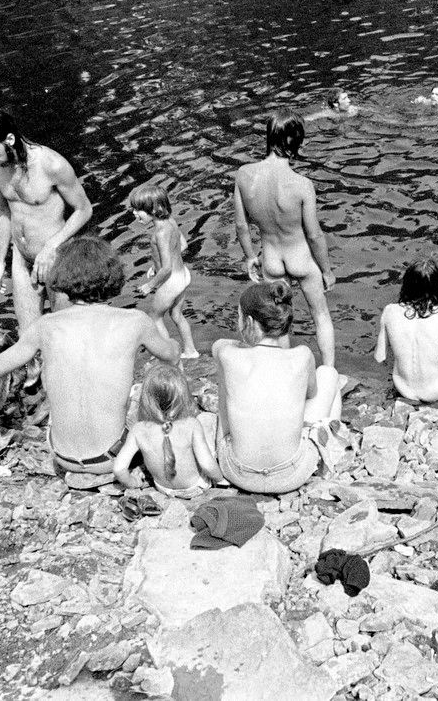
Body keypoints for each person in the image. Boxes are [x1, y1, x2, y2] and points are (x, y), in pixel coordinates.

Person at [0, 236, 180, 478]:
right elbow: (171, 357)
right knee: (142, 391)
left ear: (62, 276)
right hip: (112, 457)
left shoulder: (45, 325)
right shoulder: (135, 321)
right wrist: (167, 335)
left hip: (62, 456)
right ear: (112, 276)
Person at [210, 282, 343, 495]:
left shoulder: (227, 355)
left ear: (249, 322)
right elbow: (312, 395)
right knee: (329, 374)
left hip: (236, 472)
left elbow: (218, 344)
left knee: (227, 395)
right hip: (291, 475)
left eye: (239, 317)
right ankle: (331, 451)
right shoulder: (302, 355)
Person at [0, 110, 93, 332]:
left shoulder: (51, 164)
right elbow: (3, 210)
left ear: (9, 139)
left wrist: (50, 247)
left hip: (57, 258)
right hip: (22, 259)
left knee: (66, 334)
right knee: (28, 337)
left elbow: (84, 210)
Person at [233, 113, 337, 369]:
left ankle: (285, 371)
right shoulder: (302, 184)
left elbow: (241, 225)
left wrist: (250, 257)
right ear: (293, 140)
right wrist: (326, 270)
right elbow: (314, 235)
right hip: (300, 258)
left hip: (271, 260)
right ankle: (329, 372)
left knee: (278, 322)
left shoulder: (244, 175)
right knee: (320, 315)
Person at [112, 364, 220, 498]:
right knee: (206, 418)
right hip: (196, 486)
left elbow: (118, 469)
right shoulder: (191, 424)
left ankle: (144, 469)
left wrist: (133, 483)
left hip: (163, 488)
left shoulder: (138, 429)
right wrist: (220, 479)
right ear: (182, 396)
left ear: (146, 398)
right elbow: (207, 465)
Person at [375, 258, 438, 404]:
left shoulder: (389, 311)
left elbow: (380, 357)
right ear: (437, 286)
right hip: (436, 390)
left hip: (403, 388)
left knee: (399, 343)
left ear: (407, 283)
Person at [129, 183, 200, 359]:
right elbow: (183, 245)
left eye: (138, 210)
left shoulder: (160, 233)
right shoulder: (171, 222)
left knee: (155, 317)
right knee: (176, 315)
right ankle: (190, 351)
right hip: (182, 275)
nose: (134, 213)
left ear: (153, 209)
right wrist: (156, 265)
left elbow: (167, 268)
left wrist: (150, 285)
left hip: (171, 281)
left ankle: (169, 356)